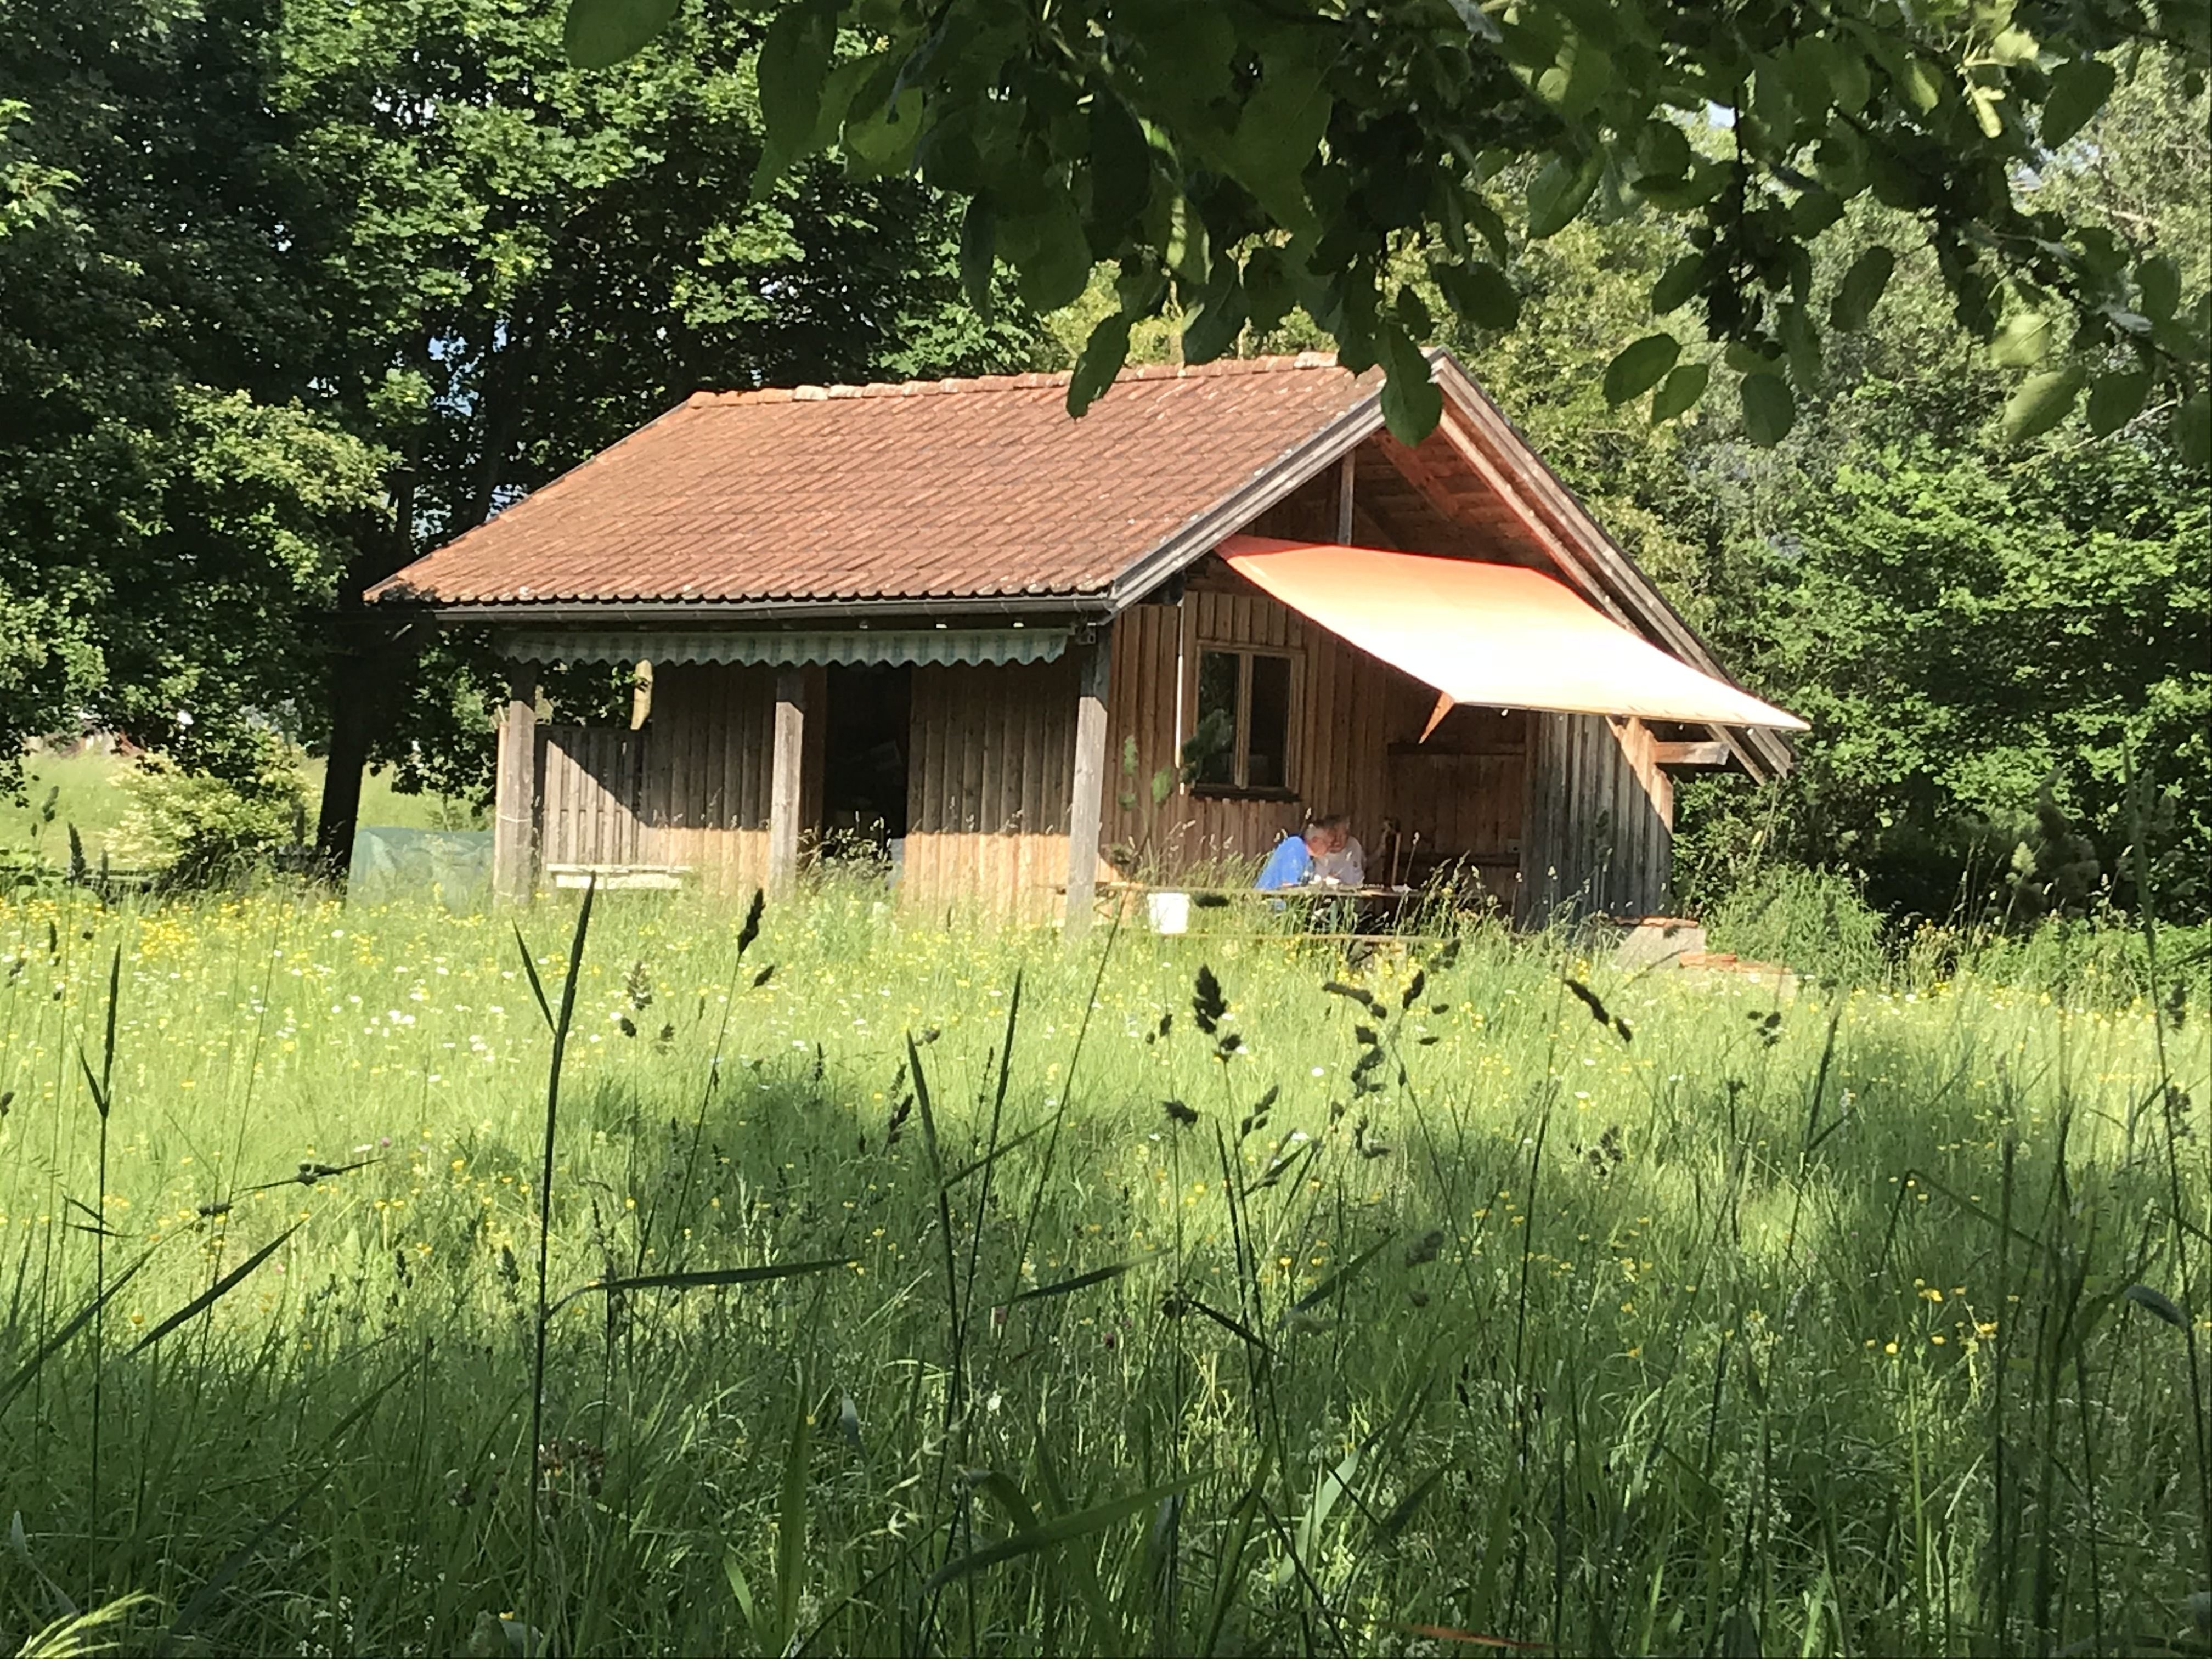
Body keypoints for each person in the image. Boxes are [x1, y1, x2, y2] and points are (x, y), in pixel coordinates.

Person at [1255, 821, 1330, 890]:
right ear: (1315, 840)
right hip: (1269, 900)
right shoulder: (1295, 846)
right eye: (1327, 843)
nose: (1329, 847)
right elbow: (1289, 887)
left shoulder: (1309, 860)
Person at [1310, 814, 1366, 888]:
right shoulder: (1316, 853)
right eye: (1333, 836)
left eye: (1342, 836)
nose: (1337, 841)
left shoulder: (1354, 845)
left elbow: (1364, 866)